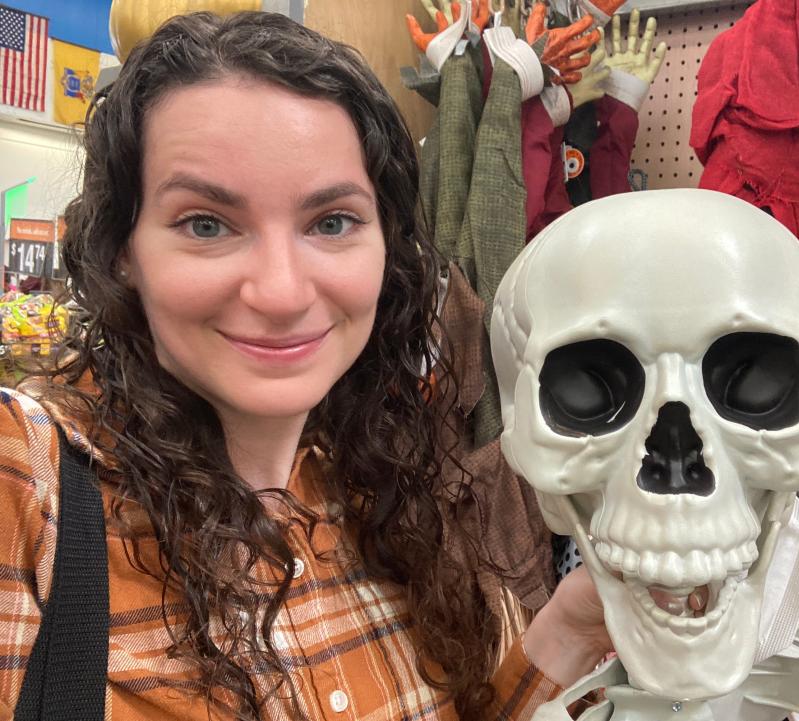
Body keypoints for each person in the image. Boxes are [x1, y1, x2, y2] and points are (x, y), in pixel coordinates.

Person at [0, 11, 609, 721]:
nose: (284, 293)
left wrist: (574, 626)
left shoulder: (392, 473)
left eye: (331, 222)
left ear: (388, 245)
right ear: (121, 251)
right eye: (206, 224)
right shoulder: (31, 479)